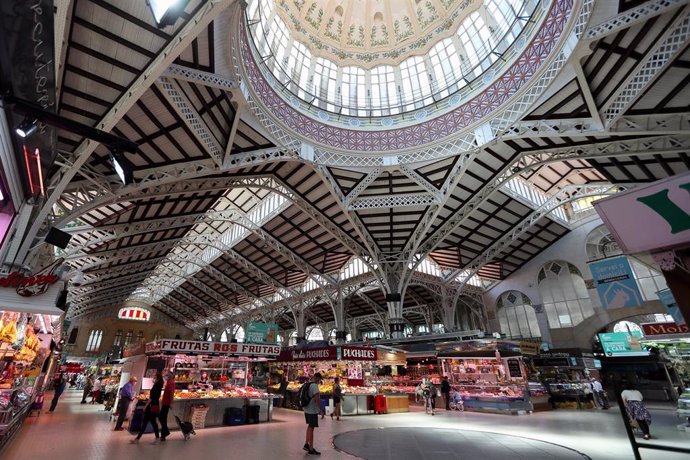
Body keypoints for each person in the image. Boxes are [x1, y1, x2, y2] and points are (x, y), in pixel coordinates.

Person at [131, 372, 163, 444]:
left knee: (152, 422)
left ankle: (157, 438)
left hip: (152, 406)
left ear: (157, 378)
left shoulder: (156, 386)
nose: (153, 379)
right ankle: (137, 439)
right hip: (155, 405)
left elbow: (151, 398)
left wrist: (145, 406)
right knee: (147, 422)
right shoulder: (159, 386)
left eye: (154, 377)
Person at [302, 372, 324, 456]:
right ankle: (311, 449)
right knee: (312, 428)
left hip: (306, 409)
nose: (319, 381)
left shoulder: (308, 384)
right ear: (317, 378)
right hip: (312, 410)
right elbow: (317, 399)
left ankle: (306, 444)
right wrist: (321, 410)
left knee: (309, 427)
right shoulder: (314, 386)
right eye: (319, 379)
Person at [159, 371, 175, 442]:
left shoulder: (171, 383)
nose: (166, 377)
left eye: (167, 375)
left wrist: (171, 403)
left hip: (167, 403)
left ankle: (164, 434)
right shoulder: (168, 382)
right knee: (162, 418)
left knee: (162, 418)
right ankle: (165, 433)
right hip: (165, 403)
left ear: (170, 376)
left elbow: (172, 394)